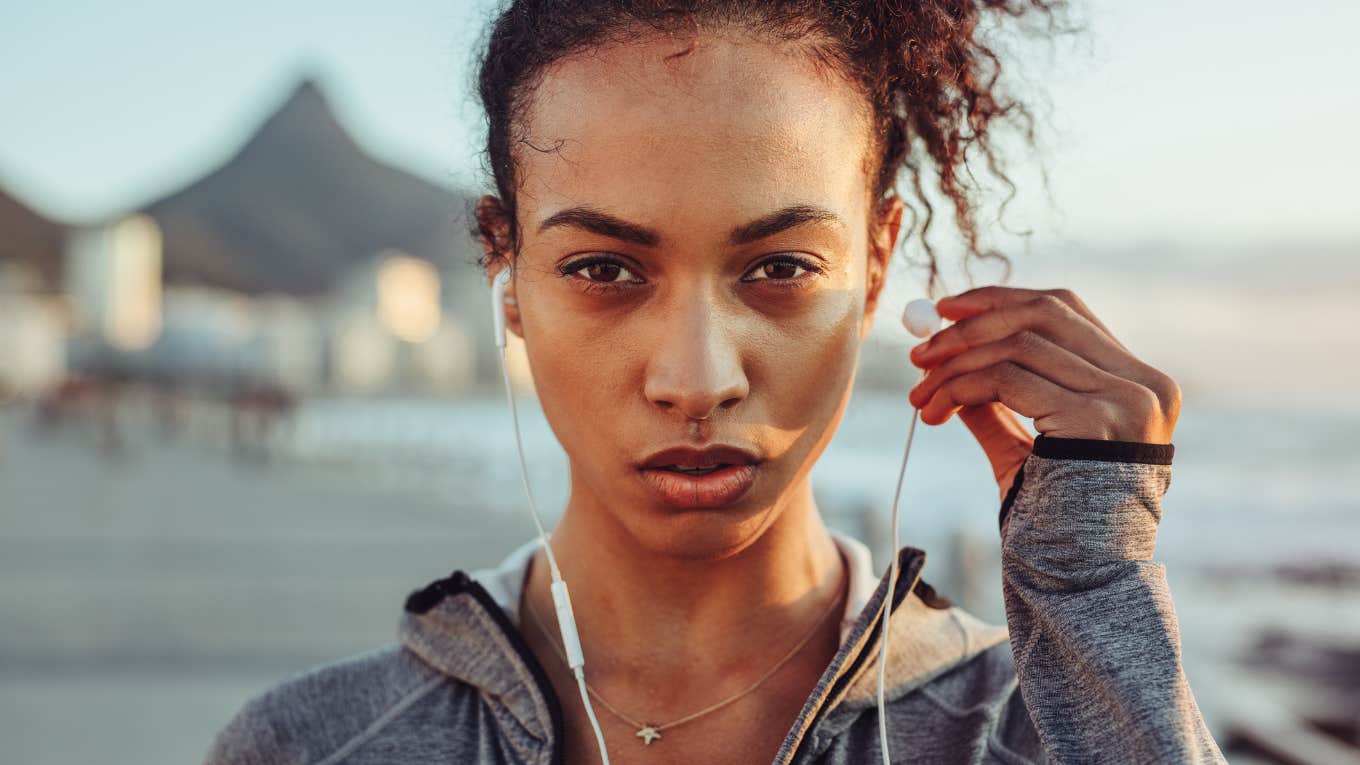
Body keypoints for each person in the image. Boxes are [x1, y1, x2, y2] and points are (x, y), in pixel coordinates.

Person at [205, 1, 1226, 763]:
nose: (696, 379)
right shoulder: (312, 746)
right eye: (603, 270)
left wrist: (1090, 583)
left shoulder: (1027, 733)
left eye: (779, 269)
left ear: (875, 264)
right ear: (503, 272)